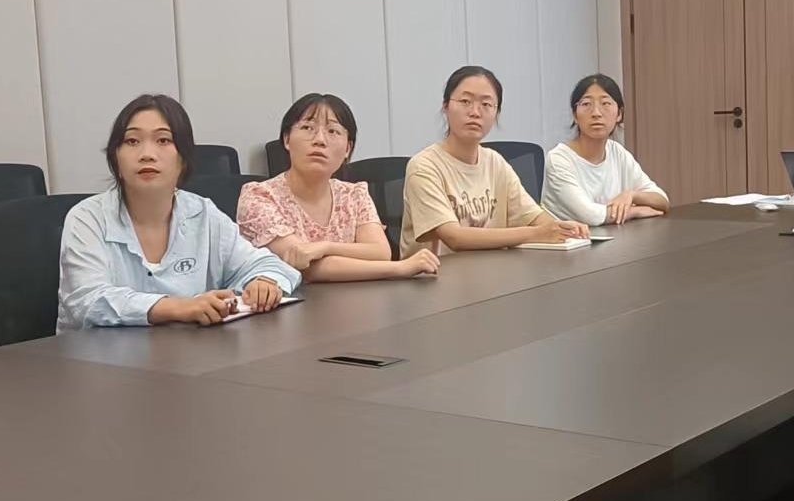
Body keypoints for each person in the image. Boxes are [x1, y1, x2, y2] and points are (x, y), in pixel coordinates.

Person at [57, 94, 300, 331]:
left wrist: (264, 281)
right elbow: (87, 300)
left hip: (188, 352)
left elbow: (268, 265)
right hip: (99, 355)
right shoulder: (87, 219)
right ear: (115, 159)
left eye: (163, 140)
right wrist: (179, 307)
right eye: (132, 141)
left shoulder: (203, 214)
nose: (147, 154)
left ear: (183, 160)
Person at [237, 94, 440, 281]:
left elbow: (380, 252)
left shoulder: (354, 194)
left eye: (333, 131)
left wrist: (324, 247)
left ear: (347, 149)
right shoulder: (259, 196)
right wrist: (399, 268)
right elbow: (305, 266)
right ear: (287, 139)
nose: (320, 140)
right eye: (307, 128)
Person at [401, 66, 589, 257]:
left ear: (496, 112)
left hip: (494, 271)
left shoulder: (495, 162)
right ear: (446, 106)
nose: (475, 112)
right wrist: (536, 233)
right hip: (437, 273)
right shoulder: (424, 167)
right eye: (465, 101)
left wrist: (562, 229)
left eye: (486, 104)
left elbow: (534, 217)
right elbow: (454, 237)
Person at [542, 74, 669, 225]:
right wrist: (635, 211)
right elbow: (590, 216)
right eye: (586, 104)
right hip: (568, 238)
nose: (596, 113)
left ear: (619, 114)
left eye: (605, 103)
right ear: (575, 115)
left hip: (612, 236)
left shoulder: (617, 152)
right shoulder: (559, 159)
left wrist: (631, 195)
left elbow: (661, 200)